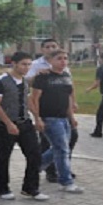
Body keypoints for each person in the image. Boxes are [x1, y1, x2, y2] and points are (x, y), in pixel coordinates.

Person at [0, 51, 49, 201]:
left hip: (25, 123)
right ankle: (2, 188)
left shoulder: (25, 81)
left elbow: (27, 100)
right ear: (14, 64)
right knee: (3, 156)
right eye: (23, 64)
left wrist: (37, 118)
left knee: (34, 154)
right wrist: (8, 123)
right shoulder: (1, 81)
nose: (26, 67)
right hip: (6, 125)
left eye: (29, 64)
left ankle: (30, 187)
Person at [29, 49, 83, 193]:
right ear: (51, 61)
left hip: (64, 118)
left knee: (58, 148)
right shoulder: (43, 77)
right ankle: (66, 182)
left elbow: (68, 98)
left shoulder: (66, 76)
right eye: (59, 58)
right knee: (62, 149)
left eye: (65, 58)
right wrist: (37, 118)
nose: (63, 61)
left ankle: (34, 168)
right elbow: (34, 99)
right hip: (50, 118)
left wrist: (71, 117)